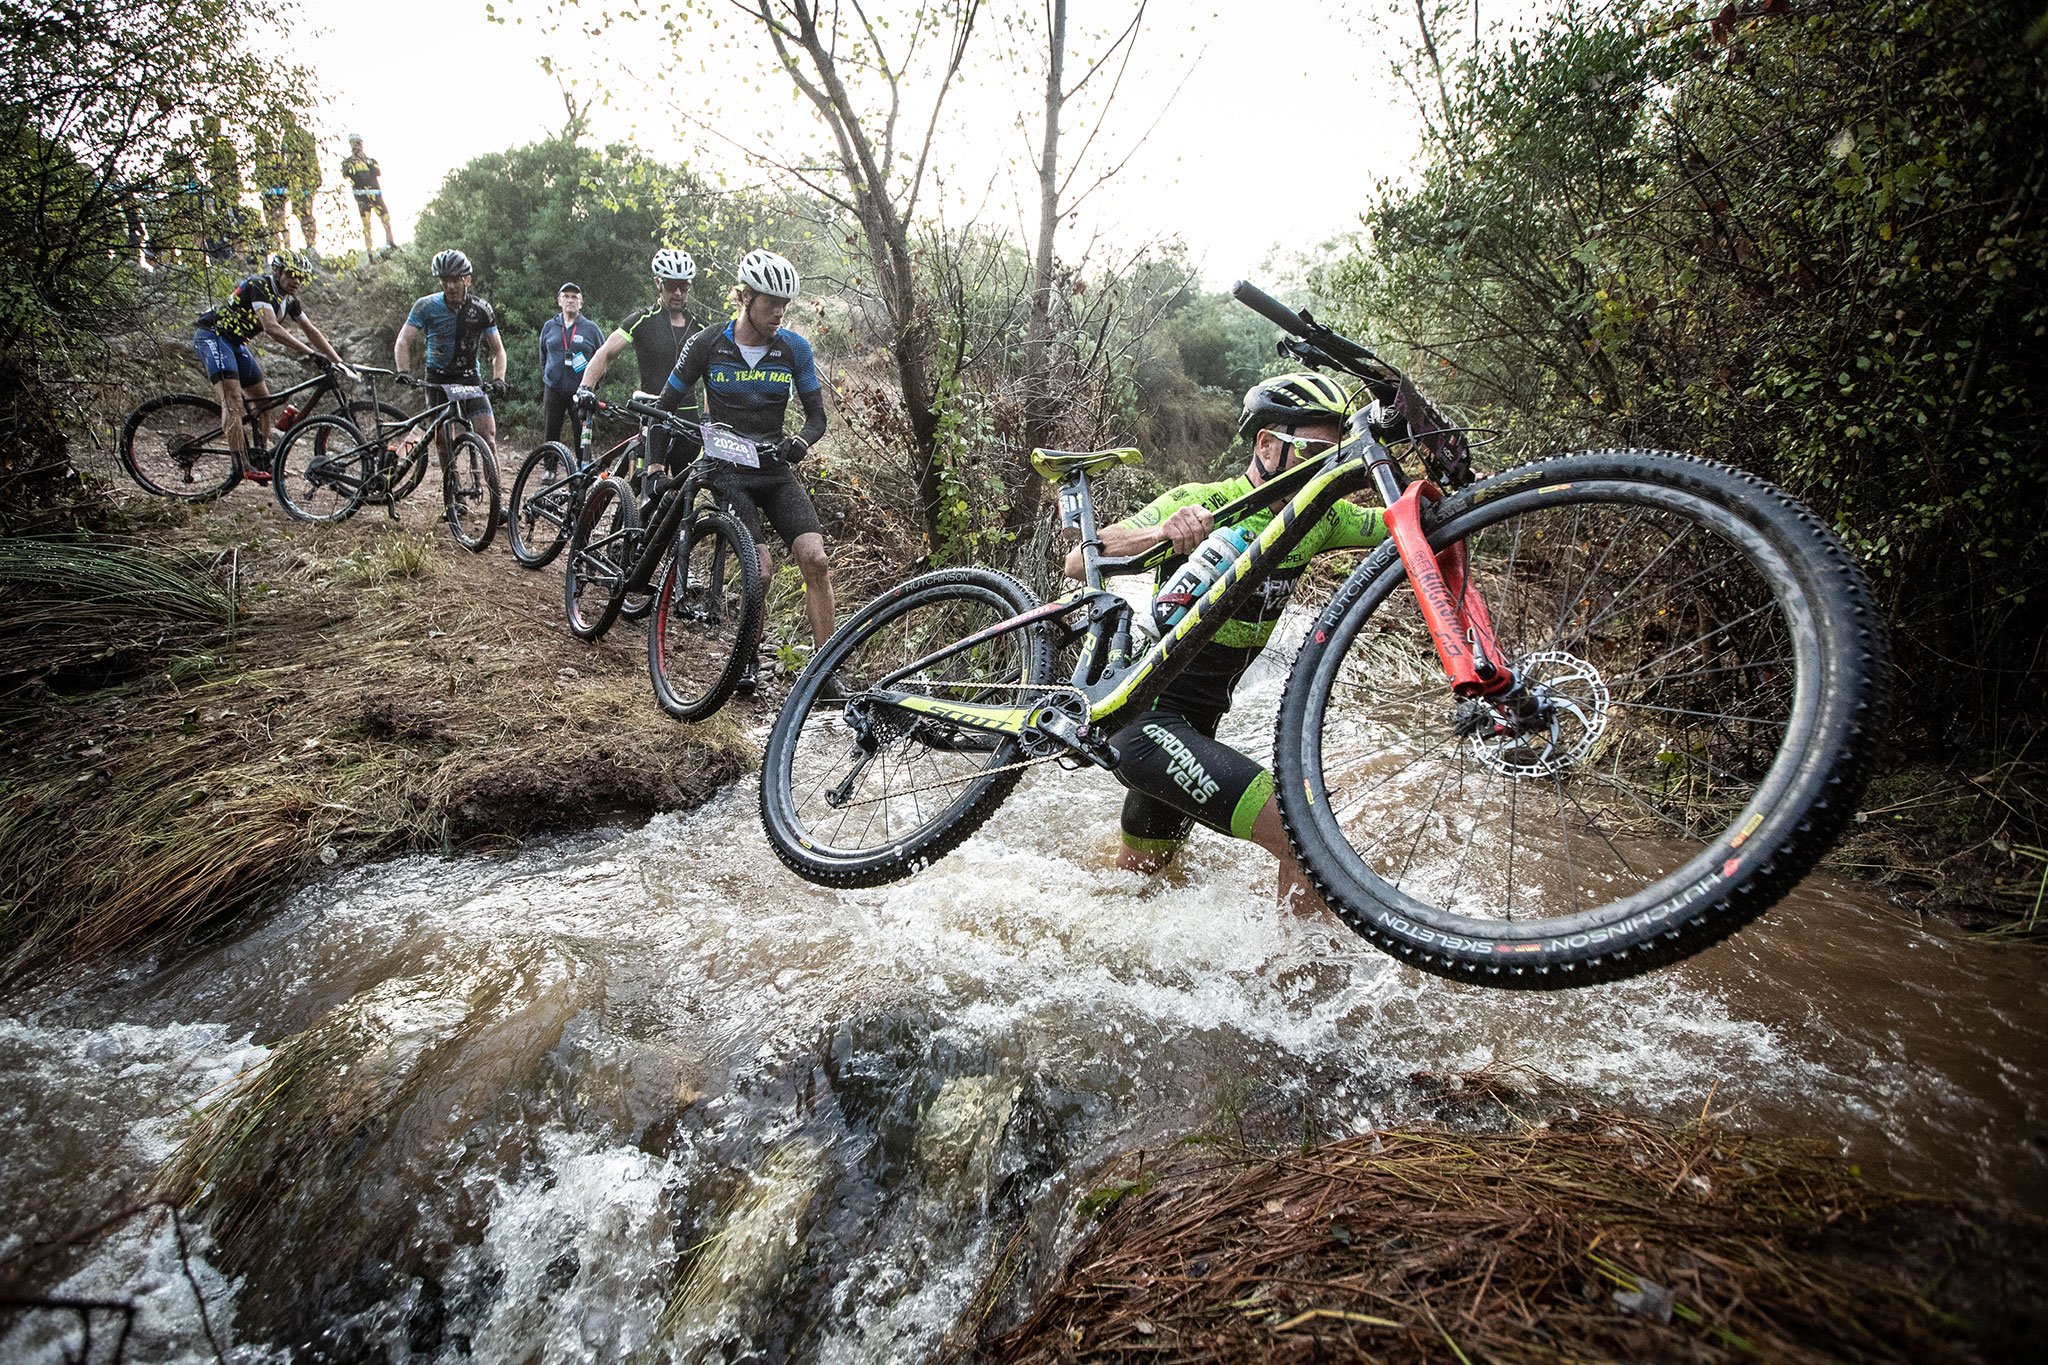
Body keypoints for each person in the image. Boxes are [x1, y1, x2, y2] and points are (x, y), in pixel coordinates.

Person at [1061, 372, 1387, 909]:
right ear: (1266, 444)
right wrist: (1163, 533)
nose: (1324, 466)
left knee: (1133, 894)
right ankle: (1296, 989)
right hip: (1145, 726)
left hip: (1193, 734)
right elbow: (1081, 560)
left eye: (1334, 454)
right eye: (1312, 451)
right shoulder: (1203, 500)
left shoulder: (1319, 520)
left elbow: (1406, 521)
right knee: (1306, 837)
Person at [653, 249, 832, 687]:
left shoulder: (794, 349)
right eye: (771, 302)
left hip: (773, 467)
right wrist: (656, 464)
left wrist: (801, 442)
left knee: (816, 560)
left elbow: (816, 417)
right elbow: (663, 408)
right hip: (728, 470)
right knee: (762, 569)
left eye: (785, 305)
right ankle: (747, 658)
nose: (779, 312)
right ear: (745, 297)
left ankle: (828, 673)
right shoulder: (708, 343)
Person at [189, 249, 350, 482]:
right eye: (292, 274)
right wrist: (311, 354)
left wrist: (339, 362)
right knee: (233, 400)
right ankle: (240, 465)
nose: (297, 281)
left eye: (301, 277)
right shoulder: (260, 285)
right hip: (212, 336)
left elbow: (312, 331)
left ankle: (262, 458)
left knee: (264, 403)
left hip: (234, 343)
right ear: (276, 270)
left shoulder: (290, 301)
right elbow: (271, 328)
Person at [577, 248, 705, 469]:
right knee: (647, 479)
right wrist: (585, 387)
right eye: (670, 285)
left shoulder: (700, 327)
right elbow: (606, 353)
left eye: (684, 287)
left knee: (680, 490)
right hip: (652, 409)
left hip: (687, 416)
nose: (678, 293)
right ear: (658, 283)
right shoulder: (642, 320)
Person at [394, 249, 507, 464]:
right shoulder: (425, 306)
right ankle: (451, 494)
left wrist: (499, 378)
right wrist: (403, 370)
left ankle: (497, 493)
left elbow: (498, 350)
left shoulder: (482, 309)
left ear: (468, 280)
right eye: (445, 281)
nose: (450, 286)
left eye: (455, 280)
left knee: (488, 440)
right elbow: (403, 340)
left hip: (469, 378)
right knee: (443, 444)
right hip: (437, 379)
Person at [537, 282, 604, 457]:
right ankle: (549, 468)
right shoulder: (549, 326)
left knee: (582, 434)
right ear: (559, 300)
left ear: (581, 303)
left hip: (580, 391)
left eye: (575, 297)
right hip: (554, 388)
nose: (570, 300)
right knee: (551, 431)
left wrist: (592, 385)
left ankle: (582, 473)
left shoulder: (591, 329)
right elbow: (543, 355)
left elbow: (603, 358)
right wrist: (550, 375)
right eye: (566, 296)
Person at [341, 134, 396, 254]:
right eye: (354, 144)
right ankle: (369, 251)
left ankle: (390, 243)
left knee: (385, 218)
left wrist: (364, 160)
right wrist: (353, 162)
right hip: (361, 197)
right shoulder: (347, 162)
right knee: (366, 224)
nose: (357, 147)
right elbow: (345, 174)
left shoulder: (371, 160)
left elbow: (377, 172)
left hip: (375, 193)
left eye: (358, 144)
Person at [283, 116, 322, 253]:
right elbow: (285, 162)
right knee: (299, 213)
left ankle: (311, 244)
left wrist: (314, 178)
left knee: (306, 213)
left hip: (305, 181)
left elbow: (311, 158)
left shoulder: (302, 135)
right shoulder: (285, 138)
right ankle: (307, 243)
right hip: (294, 183)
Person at [252, 127, 291, 253]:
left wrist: (285, 191)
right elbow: (258, 175)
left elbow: (284, 174)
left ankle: (287, 248)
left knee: (281, 222)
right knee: (271, 224)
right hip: (267, 195)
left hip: (278, 194)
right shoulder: (260, 159)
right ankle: (277, 248)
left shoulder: (277, 157)